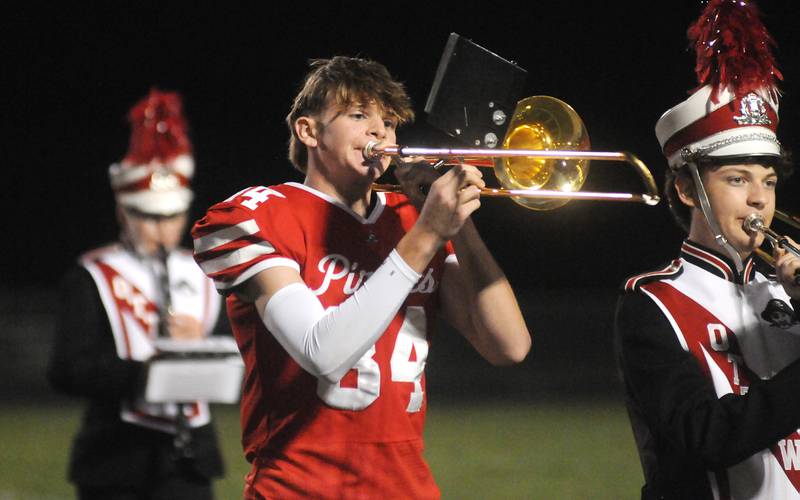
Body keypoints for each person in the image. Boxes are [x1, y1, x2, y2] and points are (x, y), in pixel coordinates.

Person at [191, 56, 531, 498]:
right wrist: (429, 231)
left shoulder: (411, 221)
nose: (379, 132)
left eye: (388, 122)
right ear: (308, 131)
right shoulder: (260, 214)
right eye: (358, 115)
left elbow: (510, 345)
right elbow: (322, 352)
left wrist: (458, 223)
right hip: (298, 489)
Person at [615, 1, 800, 498]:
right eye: (737, 179)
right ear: (686, 188)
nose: (759, 198)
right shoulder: (651, 304)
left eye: (767, 181)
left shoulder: (787, 289)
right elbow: (707, 436)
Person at [48, 89, 227, 500]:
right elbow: (66, 370)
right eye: (147, 216)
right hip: (114, 461)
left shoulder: (205, 274)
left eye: (172, 216)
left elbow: (237, 347)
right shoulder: (90, 275)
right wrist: (146, 372)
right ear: (122, 211)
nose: (162, 229)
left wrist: (201, 349)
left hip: (191, 463)